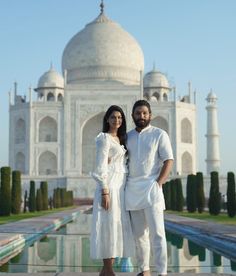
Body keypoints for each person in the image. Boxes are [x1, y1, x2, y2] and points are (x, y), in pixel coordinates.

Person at [125, 100, 174, 276]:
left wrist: (159, 182)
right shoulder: (127, 137)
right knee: (139, 236)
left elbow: (169, 160)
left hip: (151, 189)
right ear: (132, 116)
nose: (141, 116)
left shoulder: (159, 134)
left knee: (158, 234)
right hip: (132, 190)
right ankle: (144, 270)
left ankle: (162, 272)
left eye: (145, 113)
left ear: (150, 115)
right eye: (138, 113)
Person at [90, 105, 134, 276]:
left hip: (121, 187)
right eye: (113, 117)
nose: (117, 120)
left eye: (120, 117)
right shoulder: (104, 138)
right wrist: (104, 191)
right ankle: (109, 271)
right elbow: (100, 166)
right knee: (108, 227)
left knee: (116, 227)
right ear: (107, 119)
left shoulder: (121, 139)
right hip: (109, 187)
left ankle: (105, 271)